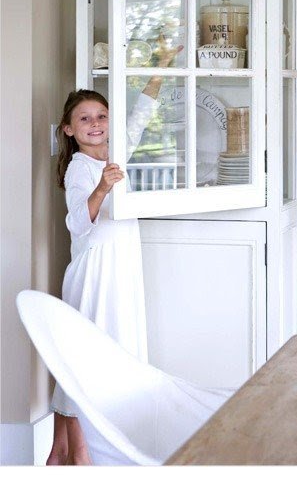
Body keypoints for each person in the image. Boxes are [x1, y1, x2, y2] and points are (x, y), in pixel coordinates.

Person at [47, 37, 182, 465]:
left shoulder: (117, 148)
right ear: (69, 129)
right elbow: (78, 224)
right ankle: (75, 452)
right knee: (85, 357)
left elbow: (142, 111)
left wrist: (161, 65)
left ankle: (62, 449)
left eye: (101, 115)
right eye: (84, 118)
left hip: (122, 266)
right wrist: (103, 187)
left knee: (111, 354)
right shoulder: (79, 169)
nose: (96, 123)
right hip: (94, 271)